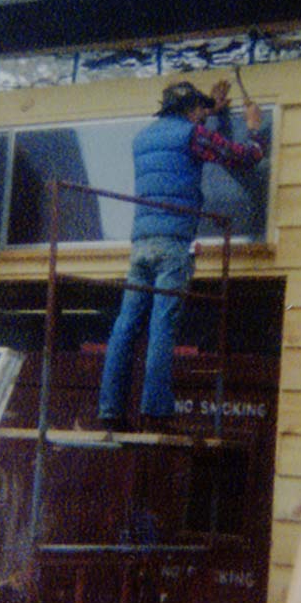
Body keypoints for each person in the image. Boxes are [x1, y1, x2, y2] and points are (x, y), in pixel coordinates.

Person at [97, 78, 268, 434]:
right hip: (174, 242)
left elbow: (178, 141)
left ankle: (110, 408)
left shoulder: (143, 138)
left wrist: (211, 112)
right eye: (199, 109)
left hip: (141, 242)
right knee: (162, 325)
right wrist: (255, 130)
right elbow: (242, 158)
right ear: (191, 110)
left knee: (126, 325)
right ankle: (156, 409)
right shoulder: (192, 134)